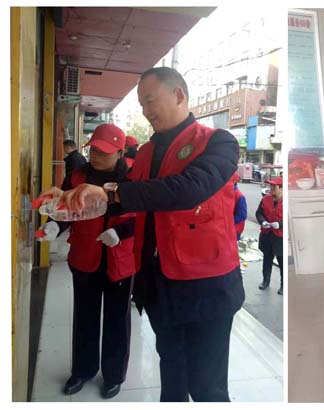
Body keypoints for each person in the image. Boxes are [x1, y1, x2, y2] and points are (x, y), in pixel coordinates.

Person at [51, 67, 245, 402]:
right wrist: (70, 202)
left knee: (207, 386)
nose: (145, 111)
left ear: (179, 95)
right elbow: (125, 196)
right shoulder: (146, 152)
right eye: (141, 104)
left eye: (150, 101)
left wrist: (112, 194)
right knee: (171, 373)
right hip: (157, 284)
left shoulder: (218, 142)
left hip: (206, 286)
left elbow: (189, 188)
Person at [38, 124, 135, 399]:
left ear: (120, 152)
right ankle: (83, 370)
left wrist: (120, 232)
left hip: (119, 258)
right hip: (85, 257)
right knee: (85, 317)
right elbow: (65, 209)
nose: (96, 156)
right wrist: (55, 225)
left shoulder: (133, 178)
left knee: (117, 319)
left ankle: (114, 376)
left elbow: (145, 216)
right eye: (94, 150)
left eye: (104, 152)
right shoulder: (77, 176)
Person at [256, 177, 283, 295]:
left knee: (282, 262)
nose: (271, 188)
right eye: (270, 186)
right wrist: (263, 222)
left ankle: (283, 285)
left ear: (281, 188)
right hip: (267, 235)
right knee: (267, 259)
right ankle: (265, 281)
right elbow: (259, 213)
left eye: (274, 186)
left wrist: (280, 224)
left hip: (280, 237)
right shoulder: (265, 199)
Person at [232, 173, 247, 240]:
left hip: (234, 230)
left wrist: (228, 221)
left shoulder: (239, 196)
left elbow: (242, 215)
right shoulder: (229, 194)